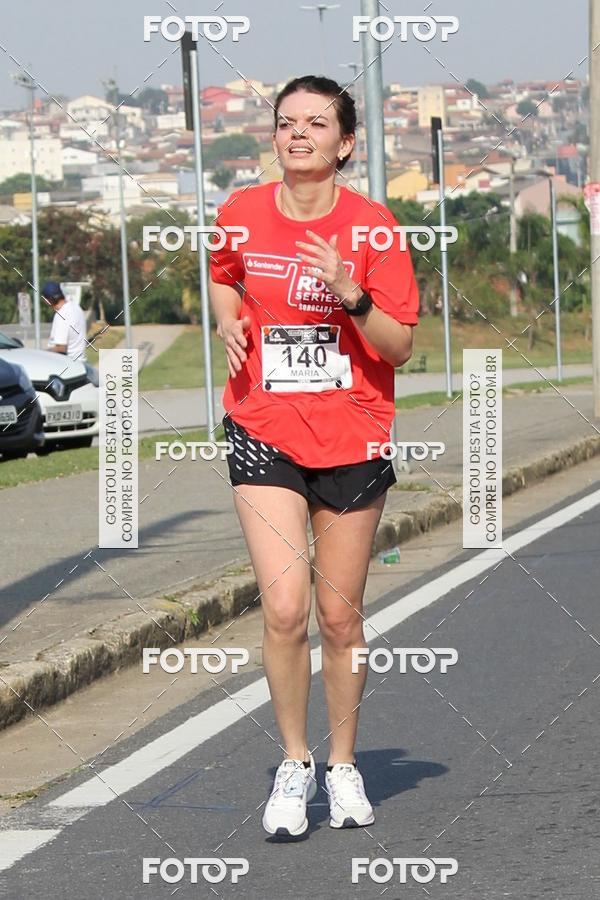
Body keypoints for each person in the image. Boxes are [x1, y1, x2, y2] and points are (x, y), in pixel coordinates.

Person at [209, 75, 419, 838]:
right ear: (274, 136)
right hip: (263, 425)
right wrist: (229, 323)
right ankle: (294, 766)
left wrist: (350, 292)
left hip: (352, 431)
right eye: (286, 122)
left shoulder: (374, 227)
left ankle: (343, 765)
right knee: (287, 607)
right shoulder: (240, 213)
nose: (298, 134)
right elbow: (224, 279)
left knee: (338, 616)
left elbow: (398, 343)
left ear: (345, 142)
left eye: (316, 123)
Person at [43, 281, 88, 362]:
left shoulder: (61, 315)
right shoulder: (76, 307)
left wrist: (42, 353)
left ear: (48, 301)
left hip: (68, 366)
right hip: (81, 363)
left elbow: (61, 348)